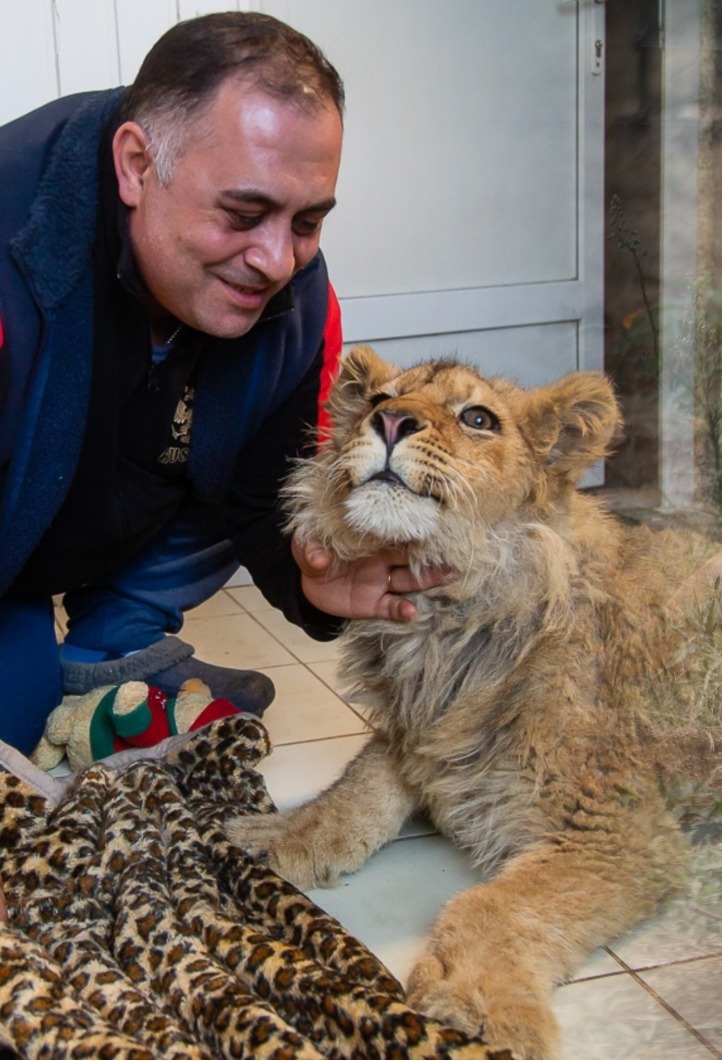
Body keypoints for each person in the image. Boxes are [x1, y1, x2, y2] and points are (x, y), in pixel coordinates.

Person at [0, 12, 442, 754]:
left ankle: (119, 647)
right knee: (20, 738)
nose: (276, 261)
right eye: (245, 213)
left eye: (307, 221)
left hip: (116, 503)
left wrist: (313, 582)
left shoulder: (300, 300)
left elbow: (265, 493)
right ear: (137, 166)